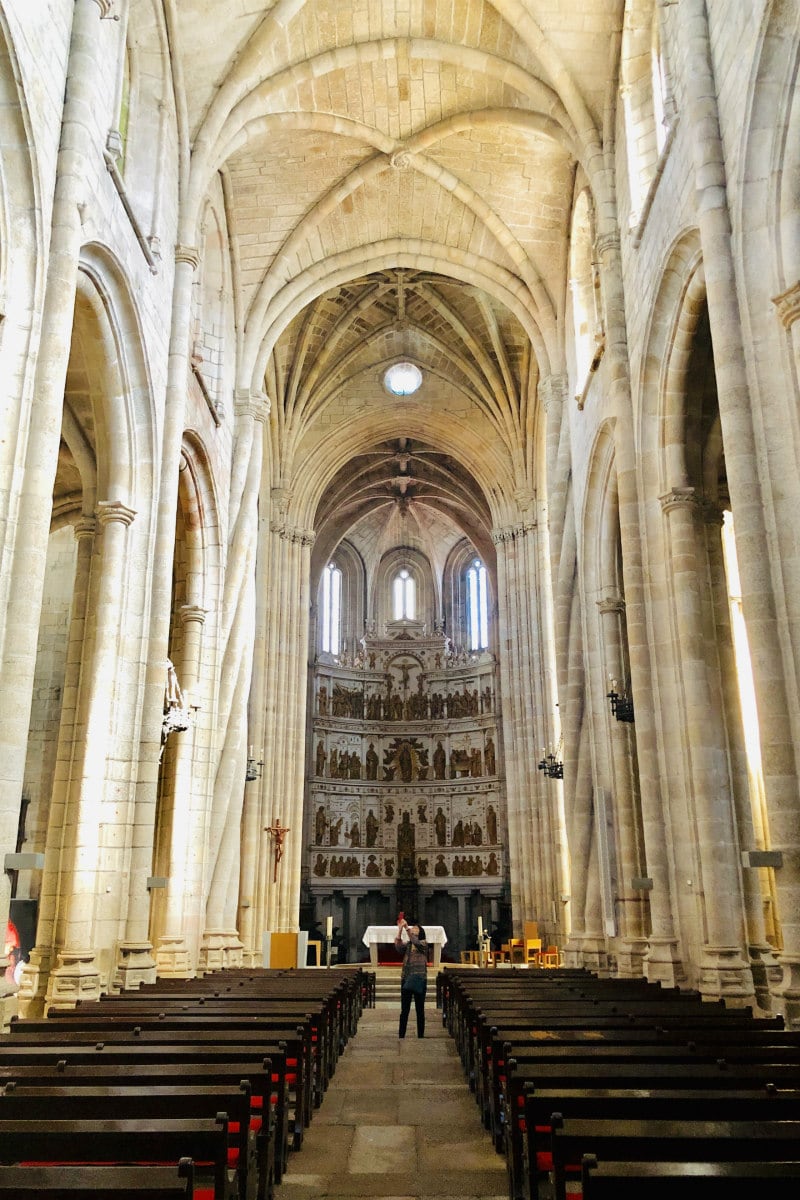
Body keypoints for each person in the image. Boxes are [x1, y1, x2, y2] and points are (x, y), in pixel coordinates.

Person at [394, 917, 428, 1039]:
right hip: (407, 978)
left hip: (419, 978)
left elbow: (417, 942)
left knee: (420, 1009)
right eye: (412, 928)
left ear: (420, 932)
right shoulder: (408, 945)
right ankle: (401, 1034)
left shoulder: (423, 944)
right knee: (404, 1010)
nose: (413, 929)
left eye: (416, 929)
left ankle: (421, 1035)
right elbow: (398, 947)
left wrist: (407, 928)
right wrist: (399, 930)